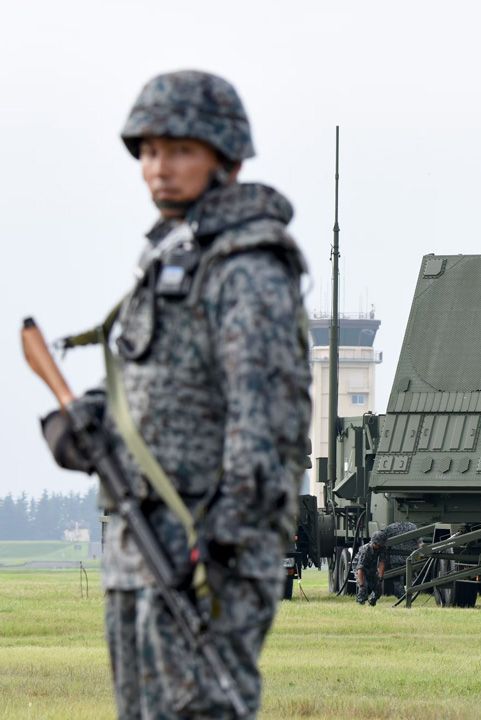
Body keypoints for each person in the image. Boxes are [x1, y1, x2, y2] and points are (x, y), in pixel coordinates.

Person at [41, 70, 310, 718]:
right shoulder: (171, 260)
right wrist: (91, 419)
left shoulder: (247, 268)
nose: (160, 168)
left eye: (182, 150)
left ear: (228, 158)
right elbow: (157, 383)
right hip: (140, 549)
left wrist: (218, 547)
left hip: (203, 559)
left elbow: (265, 423)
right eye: (151, 151)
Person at [354, 521, 417, 605]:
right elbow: (360, 569)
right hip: (360, 568)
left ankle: (371, 602)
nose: (380, 546)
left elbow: (382, 562)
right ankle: (360, 602)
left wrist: (380, 576)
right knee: (363, 588)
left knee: (378, 589)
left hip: (371, 567)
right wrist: (361, 584)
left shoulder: (381, 548)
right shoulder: (365, 550)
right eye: (379, 544)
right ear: (374, 542)